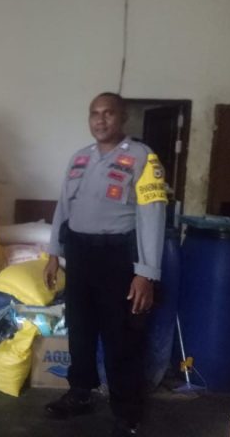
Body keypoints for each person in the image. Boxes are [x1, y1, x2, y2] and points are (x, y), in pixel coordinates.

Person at [43, 92, 167, 437]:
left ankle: (127, 411)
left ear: (122, 117)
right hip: (80, 254)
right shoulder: (80, 158)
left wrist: (146, 273)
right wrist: (53, 253)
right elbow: (63, 207)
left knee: (121, 336)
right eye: (94, 113)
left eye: (108, 113)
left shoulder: (144, 158)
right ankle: (80, 393)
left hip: (118, 257)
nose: (100, 120)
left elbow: (152, 217)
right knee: (80, 329)